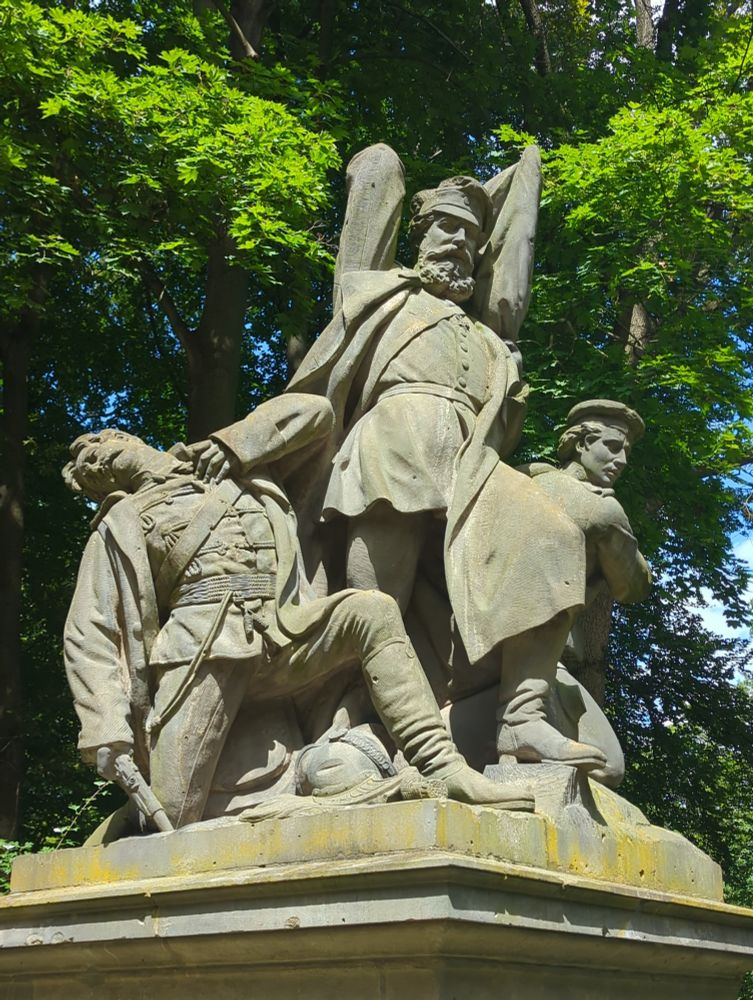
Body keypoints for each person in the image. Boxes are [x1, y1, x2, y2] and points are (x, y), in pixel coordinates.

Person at [62, 393, 532, 831]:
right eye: (90, 466)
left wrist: (234, 445)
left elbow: (316, 414)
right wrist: (107, 728)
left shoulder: (237, 470)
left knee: (370, 611)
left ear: (133, 439)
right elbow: (91, 629)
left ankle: (443, 767)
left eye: (107, 441)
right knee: (172, 816)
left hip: (279, 628)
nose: (100, 456)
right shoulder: (120, 523)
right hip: (201, 654)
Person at [289, 145, 605, 770]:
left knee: (554, 538)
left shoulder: (489, 337)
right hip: (391, 450)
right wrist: (381, 166)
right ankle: (357, 719)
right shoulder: (378, 296)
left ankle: (522, 717)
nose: (459, 242)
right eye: (446, 227)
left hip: (470, 465)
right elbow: (372, 201)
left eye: (471, 235)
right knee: (379, 599)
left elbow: (501, 422)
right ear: (419, 235)